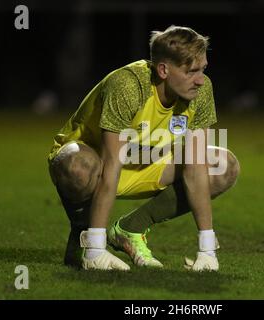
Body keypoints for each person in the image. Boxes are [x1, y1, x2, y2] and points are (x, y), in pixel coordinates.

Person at [47, 25, 240, 272]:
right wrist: (96, 247)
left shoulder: (200, 90)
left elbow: (196, 164)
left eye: (203, 69)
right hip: (98, 164)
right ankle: (83, 237)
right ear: (163, 70)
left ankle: (131, 228)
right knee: (77, 165)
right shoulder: (128, 86)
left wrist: (207, 251)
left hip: (146, 162)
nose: (200, 79)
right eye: (192, 71)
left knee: (221, 165)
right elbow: (111, 163)